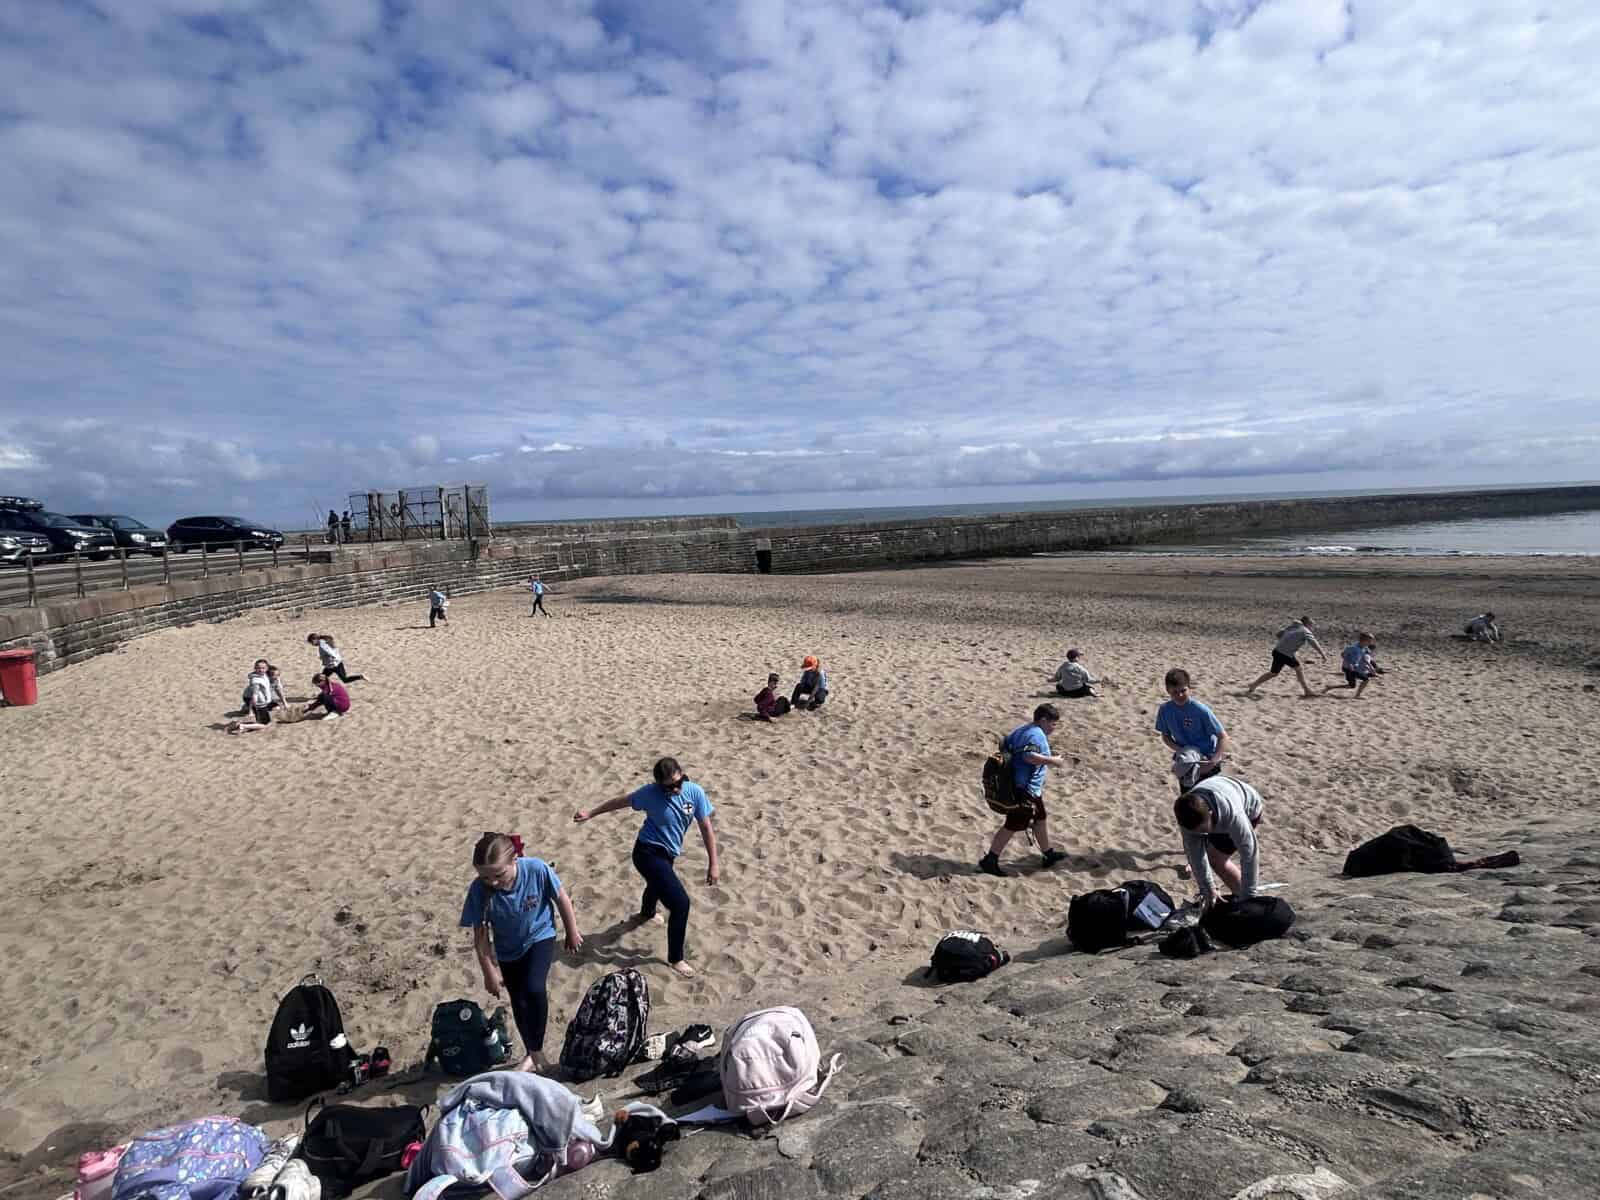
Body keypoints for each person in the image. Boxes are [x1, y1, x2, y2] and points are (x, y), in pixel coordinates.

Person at [573, 757, 719, 978]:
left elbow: (706, 827)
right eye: (669, 787)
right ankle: (676, 959)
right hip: (646, 853)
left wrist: (713, 863)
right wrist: (591, 813)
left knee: (658, 882)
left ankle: (647, 913)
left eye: (679, 782)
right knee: (680, 904)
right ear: (658, 784)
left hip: (668, 854)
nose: (676, 789)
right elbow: (619, 801)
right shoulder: (649, 793)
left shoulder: (695, 791)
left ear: (682, 774)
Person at [461, 832, 583, 1073]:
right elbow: (481, 936)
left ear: (514, 860)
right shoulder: (479, 890)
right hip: (507, 950)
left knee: (534, 988)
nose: (492, 882)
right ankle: (531, 1053)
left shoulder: (536, 869)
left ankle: (536, 1050)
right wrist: (489, 972)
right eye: (485, 877)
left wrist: (572, 931)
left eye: (499, 875)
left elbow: (561, 898)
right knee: (519, 1001)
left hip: (540, 936)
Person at [979, 703, 1070, 877]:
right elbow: (1029, 756)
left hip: (1020, 786)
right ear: (1043, 720)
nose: (1054, 728)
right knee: (1012, 825)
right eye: (1053, 724)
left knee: (1040, 819)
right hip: (1025, 790)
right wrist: (1053, 760)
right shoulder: (1036, 735)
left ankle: (1048, 854)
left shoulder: (1022, 729)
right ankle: (990, 860)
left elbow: (1004, 744)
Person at [1174, 774, 1265, 911]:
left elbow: (1249, 855)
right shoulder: (1187, 821)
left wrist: (1249, 895)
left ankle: (1246, 901)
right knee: (1210, 856)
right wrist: (1208, 889)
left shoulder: (1233, 815)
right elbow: (1195, 855)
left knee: (1216, 859)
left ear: (1210, 814)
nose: (1201, 835)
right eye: (1196, 832)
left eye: (1203, 830)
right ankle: (1240, 896)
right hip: (1218, 792)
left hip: (1249, 805)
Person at [1156, 668, 1230, 790]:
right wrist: (1182, 750)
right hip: (1186, 762)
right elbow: (1165, 736)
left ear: (1189, 688)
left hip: (1206, 761)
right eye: (1175, 692)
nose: (1180, 695)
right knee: (1188, 797)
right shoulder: (1165, 710)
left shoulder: (1200, 710)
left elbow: (1223, 737)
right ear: (1168, 690)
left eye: (1183, 690)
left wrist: (1213, 761)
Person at [1245, 616, 1327, 699]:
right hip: (1286, 654)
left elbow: (1278, 634)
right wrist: (1323, 655)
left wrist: (1288, 642)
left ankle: (1253, 685)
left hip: (1277, 651)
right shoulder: (1305, 631)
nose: (1312, 627)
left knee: (1273, 673)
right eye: (1311, 624)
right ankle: (1307, 691)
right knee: (1298, 669)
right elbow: (1314, 643)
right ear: (1307, 623)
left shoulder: (1294, 626)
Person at [1325, 633, 1383, 698]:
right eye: (1369, 641)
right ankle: (1357, 695)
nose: (1371, 643)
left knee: (1352, 686)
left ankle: (1330, 687)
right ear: (1363, 641)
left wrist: (1371, 667)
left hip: (1355, 668)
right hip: (1349, 668)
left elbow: (1365, 658)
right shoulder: (1353, 648)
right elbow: (1343, 654)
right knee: (1366, 680)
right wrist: (1349, 663)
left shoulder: (1364, 647)